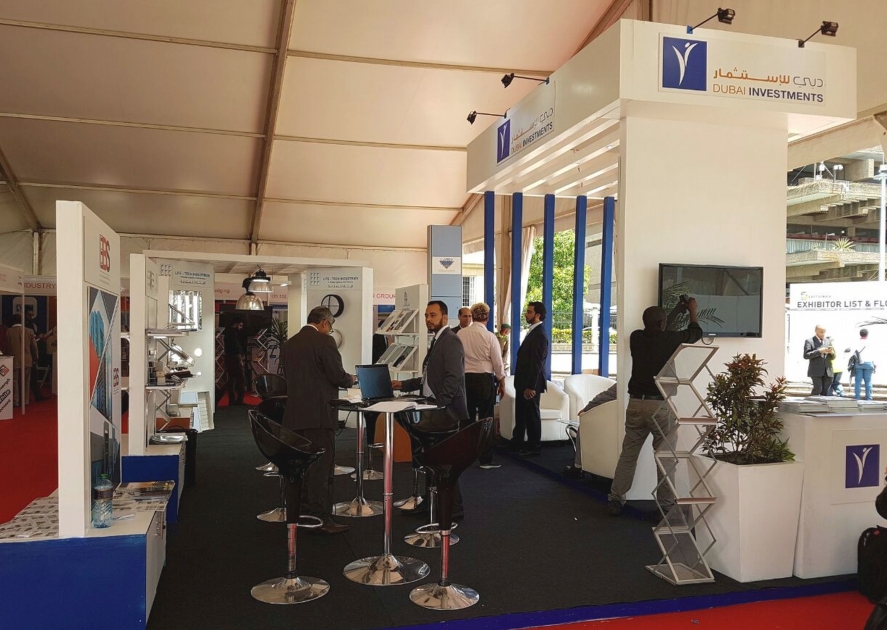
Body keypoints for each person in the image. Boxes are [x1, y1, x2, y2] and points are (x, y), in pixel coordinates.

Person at [608, 298, 703, 517]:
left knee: (628, 454)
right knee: (665, 457)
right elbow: (696, 332)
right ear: (662, 324)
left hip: (635, 404)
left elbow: (661, 329)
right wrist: (692, 311)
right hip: (660, 406)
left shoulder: (636, 337)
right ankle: (666, 506)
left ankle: (616, 499)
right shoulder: (670, 339)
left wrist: (677, 310)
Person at [282, 306, 355, 535]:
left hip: (294, 417)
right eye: (330, 326)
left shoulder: (290, 343)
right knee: (321, 469)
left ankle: (300, 513)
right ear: (325, 323)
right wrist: (351, 379)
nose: (330, 330)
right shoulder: (325, 341)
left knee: (300, 467)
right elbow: (336, 375)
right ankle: (322, 517)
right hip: (320, 416)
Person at [393, 300, 468, 520]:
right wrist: (404, 385)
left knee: (446, 462)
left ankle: (453, 509)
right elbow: (429, 378)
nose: (428, 319)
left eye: (432, 315)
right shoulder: (437, 340)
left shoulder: (451, 340)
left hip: (446, 412)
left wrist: (440, 403)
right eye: (426, 315)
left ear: (444, 317)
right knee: (431, 458)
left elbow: (454, 377)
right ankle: (431, 502)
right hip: (434, 409)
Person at [459, 302, 506, 469]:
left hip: (465, 379)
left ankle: (465, 456)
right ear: (487, 317)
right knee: (486, 419)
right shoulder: (489, 337)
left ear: (473, 316)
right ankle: (485, 459)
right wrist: (502, 382)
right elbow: (498, 363)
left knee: (467, 419)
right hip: (484, 380)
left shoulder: (461, 334)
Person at [511, 301, 549, 457]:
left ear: (537, 315)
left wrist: (531, 386)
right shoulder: (533, 331)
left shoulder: (539, 334)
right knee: (521, 413)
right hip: (523, 382)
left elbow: (537, 363)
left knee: (532, 415)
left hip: (530, 383)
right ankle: (517, 442)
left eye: (529, 312)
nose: (526, 314)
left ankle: (534, 446)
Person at [564, 382, 618, 478]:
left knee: (584, 422)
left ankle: (578, 465)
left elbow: (603, 398)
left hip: (616, 423)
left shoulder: (626, 382)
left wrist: (586, 409)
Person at [6, 314, 38, 407]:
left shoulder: (9, 331)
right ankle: (25, 400)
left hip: (13, 360)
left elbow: (6, 346)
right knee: (26, 381)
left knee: (14, 381)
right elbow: (34, 347)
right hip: (27, 359)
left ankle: (15, 401)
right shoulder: (29, 331)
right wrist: (35, 358)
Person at [803, 325, 834, 397]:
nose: (823, 334)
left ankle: (823, 404)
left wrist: (831, 353)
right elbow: (806, 355)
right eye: (821, 332)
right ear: (816, 331)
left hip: (827, 370)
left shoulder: (828, 341)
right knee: (818, 389)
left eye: (824, 332)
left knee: (826, 391)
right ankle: (811, 403)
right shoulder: (809, 341)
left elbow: (833, 356)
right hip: (816, 370)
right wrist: (819, 351)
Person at [223, 317, 246, 405]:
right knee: (241, 380)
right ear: (236, 324)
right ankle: (240, 400)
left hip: (228, 358)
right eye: (240, 325)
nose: (241, 328)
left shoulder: (227, 332)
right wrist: (240, 360)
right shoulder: (234, 334)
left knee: (231, 379)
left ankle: (232, 399)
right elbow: (237, 349)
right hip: (235, 359)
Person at [854, 328, 876, 401]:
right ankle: (868, 398)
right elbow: (874, 354)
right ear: (867, 334)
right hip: (869, 363)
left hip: (859, 363)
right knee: (868, 381)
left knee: (858, 381)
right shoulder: (870, 342)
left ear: (860, 334)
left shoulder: (856, 342)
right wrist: (875, 363)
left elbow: (853, 353)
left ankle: (857, 397)